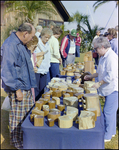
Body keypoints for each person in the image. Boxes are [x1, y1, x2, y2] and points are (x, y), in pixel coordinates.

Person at [1, 22, 37, 149]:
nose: (32, 39)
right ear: (25, 33)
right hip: (18, 88)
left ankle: (24, 139)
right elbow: (7, 71)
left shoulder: (21, 44)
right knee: (18, 117)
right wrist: (17, 90)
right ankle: (17, 143)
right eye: (32, 36)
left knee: (26, 115)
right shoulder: (10, 45)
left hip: (26, 86)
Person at [84, 36, 118, 142]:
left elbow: (111, 76)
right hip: (108, 88)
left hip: (113, 88)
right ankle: (111, 132)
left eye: (96, 49)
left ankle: (107, 136)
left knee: (108, 111)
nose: (95, 51)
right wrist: (91, 76)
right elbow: (100, 72)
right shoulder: (103, 56)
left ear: (102, 47)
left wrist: (99, 83)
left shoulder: (111, 57)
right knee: (110, 112)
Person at [33, 28, 53, 101]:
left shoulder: (47, 44)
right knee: (36, 89)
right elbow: (31, 54)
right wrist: (38, 54)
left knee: (42, 88)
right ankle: (35, 104)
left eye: (49, 38)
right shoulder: (37, 43)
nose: (47, 39)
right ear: (42, 35)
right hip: (37, 69)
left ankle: (40, 103)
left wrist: (48, 65)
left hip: (45, 70)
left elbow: (48, 56)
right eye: (46, 37)